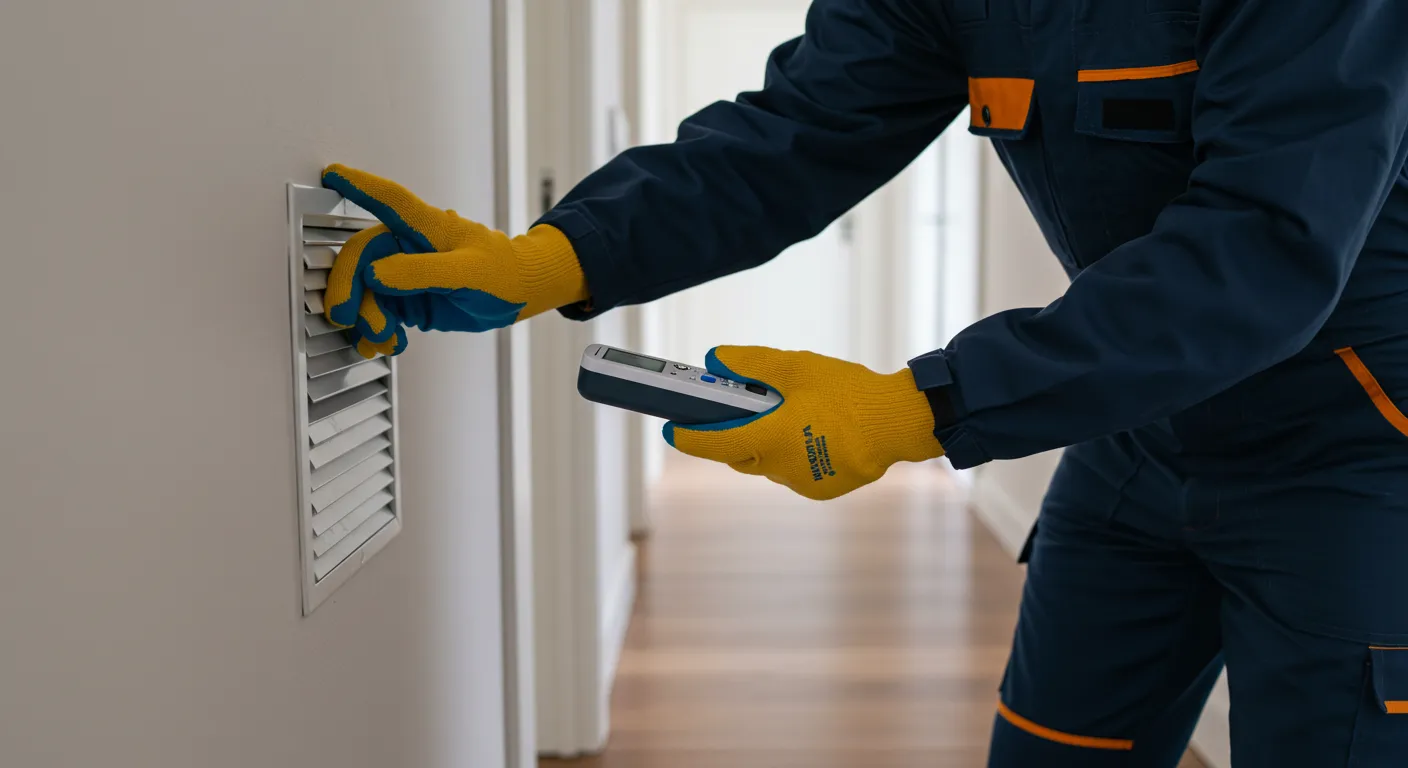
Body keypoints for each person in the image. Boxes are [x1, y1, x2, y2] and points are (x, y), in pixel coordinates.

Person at [319, 0, 1408, 763]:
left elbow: (1259, 248)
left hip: (1355, 444)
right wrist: (553, 258)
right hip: (1137, 430)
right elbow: (788, 138)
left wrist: (921, 405)